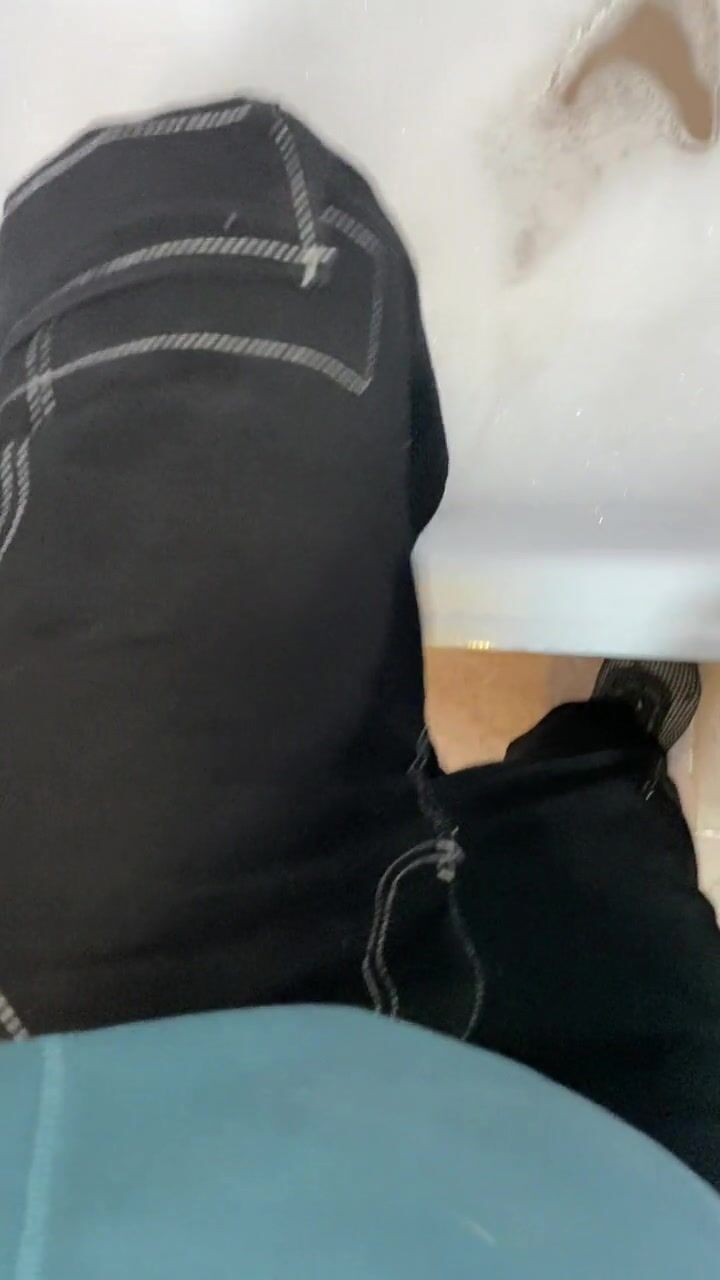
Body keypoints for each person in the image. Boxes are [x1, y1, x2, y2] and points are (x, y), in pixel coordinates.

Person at [0, 96, 718, 1193]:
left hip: (131, 1132)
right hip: (561, 1191)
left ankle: (592, 769)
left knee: (240, 277)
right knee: (616, 935)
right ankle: (608, 755)